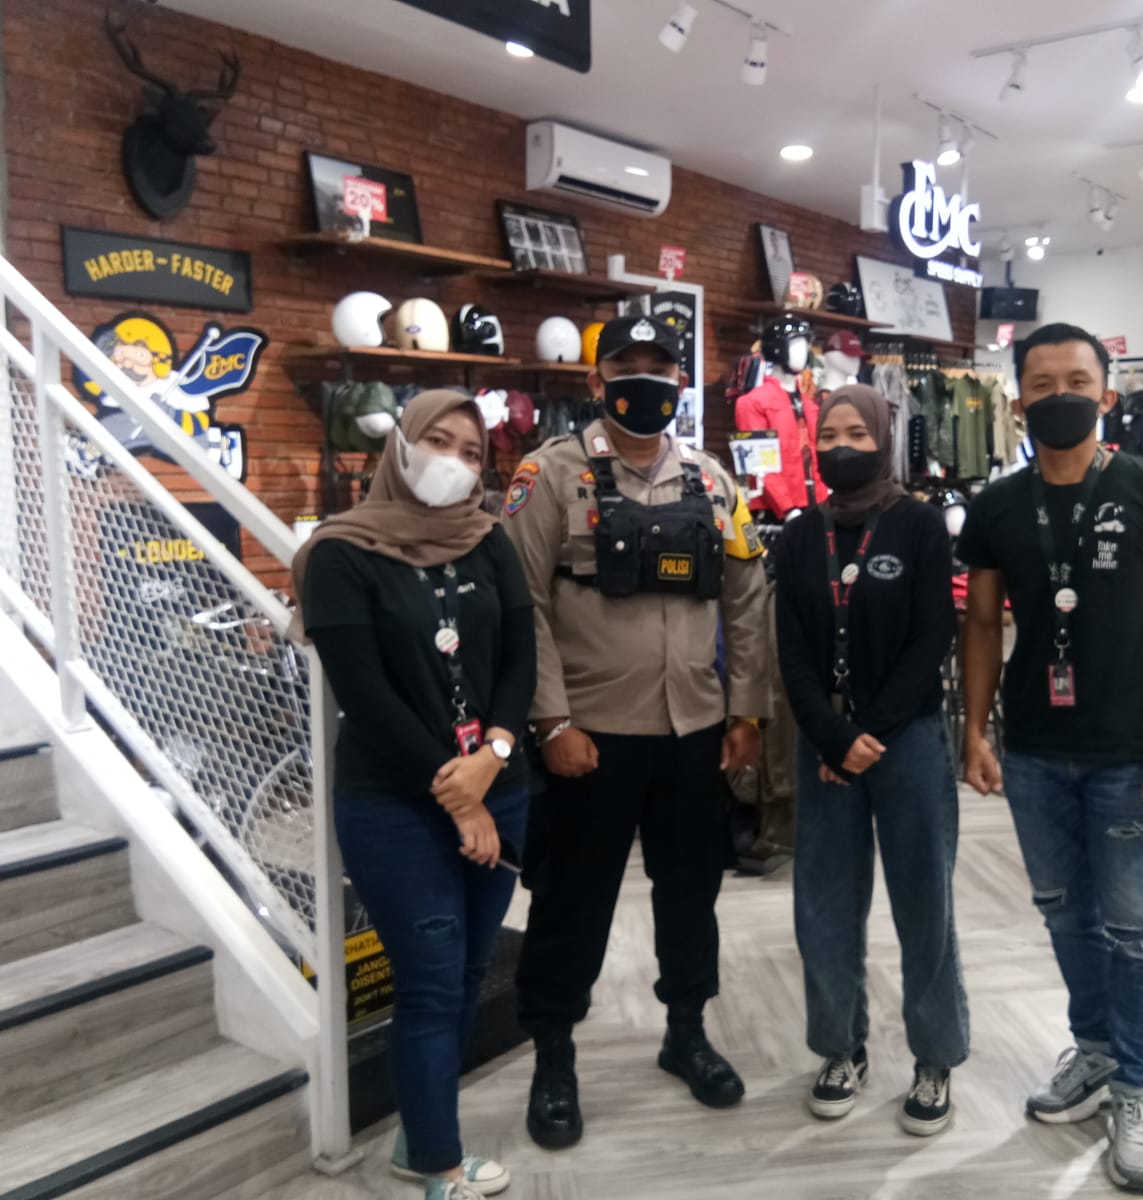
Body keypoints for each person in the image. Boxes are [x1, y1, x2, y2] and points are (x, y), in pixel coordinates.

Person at [955, 324, 1143, 1194]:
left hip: (1133, 751)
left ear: (1107, 395)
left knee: (1136, 930)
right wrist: (975, 730)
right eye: (1041, 382)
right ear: (1016, 400)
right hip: (1035, 750)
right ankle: (1096, 1050)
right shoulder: (998, 507)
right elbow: (981, 624)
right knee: (1065, 915)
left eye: (1077, 380)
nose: (1059, 395)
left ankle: (1140, 1089)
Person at [503, 315, 771, 1148]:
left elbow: (746, 599)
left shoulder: (712, 481)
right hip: (590, 734)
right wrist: (551, 720)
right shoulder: (549, 474)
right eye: (626, 365)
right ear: (597, 380)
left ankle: (685, 1032)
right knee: (571, 899)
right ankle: (554, 1055)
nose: (644, 379)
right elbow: (521, 604)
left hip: (694, 728)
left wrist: (747, 709)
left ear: (681, 382)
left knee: (691, 893)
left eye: (660, 366)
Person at [293, 390, 536, 1200]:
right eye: (438, 440)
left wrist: (495, 755)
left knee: (467, 973)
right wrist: (460, 797)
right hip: (395, 805)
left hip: (500, 788)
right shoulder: (339, 553)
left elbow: (522, 657)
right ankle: (439, 1166)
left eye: (471, 452)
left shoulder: (489, 537)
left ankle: (419, 1139)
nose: (454, 462)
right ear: (400, 445)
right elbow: (365, 695)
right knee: (431, 981)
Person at [773, 384, 969, 1135]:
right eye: (829, 434)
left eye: (858, 433)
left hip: (906, 740)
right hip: (824, 741)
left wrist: (867, 735)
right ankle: (838, 1047)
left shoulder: (919, 525)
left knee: (925, 903)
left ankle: (935, 1056)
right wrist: (831, 736)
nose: (842, 446)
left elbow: (933, 636)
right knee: (824, 904)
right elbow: (791, 647)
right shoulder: (800, 535)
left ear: (883, 438)